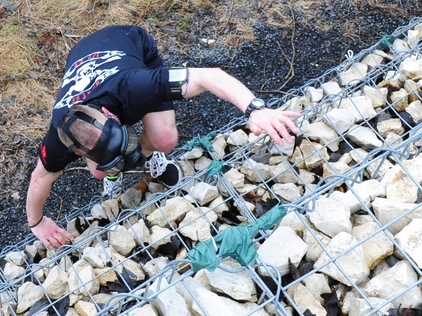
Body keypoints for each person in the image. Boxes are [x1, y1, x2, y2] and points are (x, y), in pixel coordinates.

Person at [26, 25, 301, 249]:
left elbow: (209, 76)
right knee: (99, 172)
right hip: (81, 56)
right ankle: (113, 171)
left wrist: (254, 108)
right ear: (77, 151)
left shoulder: (136, 85)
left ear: (112, 117)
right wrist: (37, 223)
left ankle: (147, 154)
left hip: (130, 43)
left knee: (165, 138)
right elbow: (40, 178)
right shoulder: (60, 137)